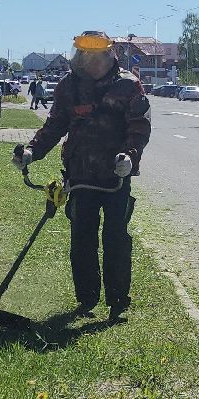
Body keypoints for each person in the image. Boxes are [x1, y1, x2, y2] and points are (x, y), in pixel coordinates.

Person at [15, 31, 150, 320]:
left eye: (97, 56)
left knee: (115, 237)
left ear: (109, 56)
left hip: (116, 177)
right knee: (82, 239)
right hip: (80, 176)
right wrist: (31, 151)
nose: (92, 62)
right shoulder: (69, 86)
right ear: (79, 56)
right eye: (86, 56)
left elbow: (139, 127)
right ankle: (87, 298)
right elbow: (54, 126)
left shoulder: (128, 86)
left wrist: (130, 156)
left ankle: (117, 299)